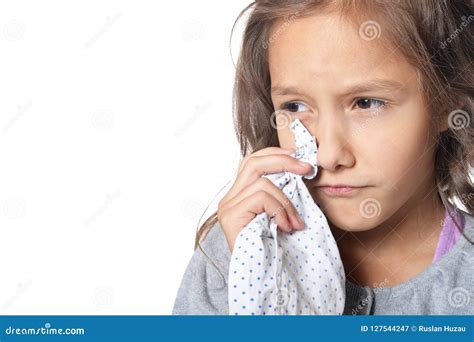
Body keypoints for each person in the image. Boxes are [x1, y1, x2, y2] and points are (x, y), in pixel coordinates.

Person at [173, 0, 474, 315]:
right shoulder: (237, 251)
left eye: (367, 103)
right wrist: (258, 286)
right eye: (295, 107)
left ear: (446, 105)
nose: (329, 156)